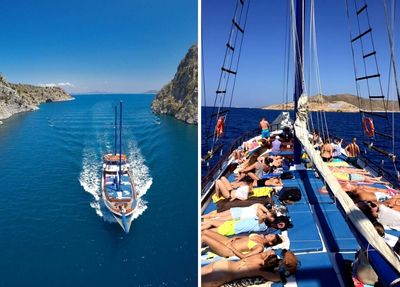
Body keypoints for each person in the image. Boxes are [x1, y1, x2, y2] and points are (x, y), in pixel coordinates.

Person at [201, 250, 298, 287]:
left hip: (222, 264)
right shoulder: (262, 270)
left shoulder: (259, 256)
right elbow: (277, 278)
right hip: (224, 274)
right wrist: (286, 267)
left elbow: (271, 251)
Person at [201, 230, 283, 259]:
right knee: (205, 232)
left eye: (271, 236)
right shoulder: (259, 236)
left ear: (270, 242)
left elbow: (244, 257)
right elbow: (247, 237)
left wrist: (231, 248)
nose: (269, 234)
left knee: (204, 237)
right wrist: (237, 237)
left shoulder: (259, 247)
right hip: (228, 241)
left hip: (227, 250)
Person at [202, 203, 277, 223]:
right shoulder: (260, 212)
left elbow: (260, 207)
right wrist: (267, 212)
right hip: (238, 214)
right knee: (218, 219)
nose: (267, 217)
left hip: (238, 211)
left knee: (217, 216)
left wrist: (267, 213)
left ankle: (201, 217)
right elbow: (260, 213)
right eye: (269, 217)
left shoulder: (258, 207)